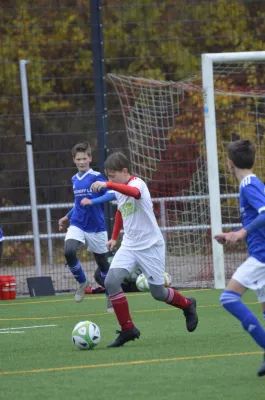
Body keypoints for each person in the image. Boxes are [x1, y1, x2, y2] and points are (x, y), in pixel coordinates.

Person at [91, 152, 198, 348]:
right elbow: (121, 212)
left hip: (151, 246)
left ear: (124, 171)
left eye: (112, 175)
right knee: (111, 282)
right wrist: (114, 237)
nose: (109, 179)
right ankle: (128, 329)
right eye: (107, 177)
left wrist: (108, 185)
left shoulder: (137, 184)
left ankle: (188, 305)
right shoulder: (119, 190)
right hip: (129, 246)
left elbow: (134, 194)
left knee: (158, 293)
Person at [214, 139, 265, 377]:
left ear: (229, 163)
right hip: (260, 254)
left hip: (262, 258)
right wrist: (234, 233)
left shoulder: (248, 184)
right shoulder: (252, 183)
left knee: (228, 298)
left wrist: (242, 232)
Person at [58, 141, 116, 312]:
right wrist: (66, 217)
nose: (82, 162)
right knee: (69, 250)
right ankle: (82, 282)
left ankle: (110, 296)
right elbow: (78, 204)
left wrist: (93, 201)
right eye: (78, 159)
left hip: (96, 227)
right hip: (77, 223)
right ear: (74, 160)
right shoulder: (74, 179)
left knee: (102, 263)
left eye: (84, 158)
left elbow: (111, 194)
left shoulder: (97, 177)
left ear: (90, 158)